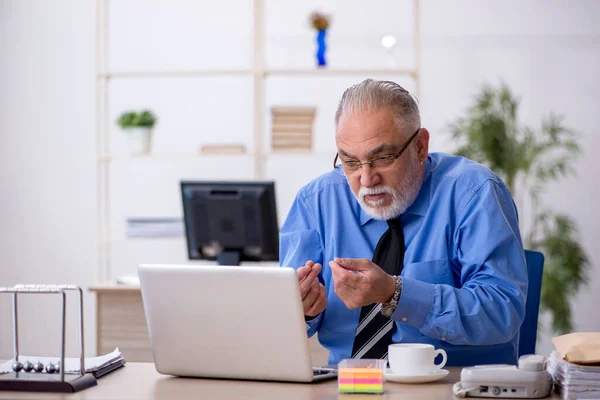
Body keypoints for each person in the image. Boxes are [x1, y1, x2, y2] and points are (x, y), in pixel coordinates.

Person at [279, 79, 528, 367]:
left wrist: (395, 293)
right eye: (350, 162)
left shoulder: (474, 193)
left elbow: (501, 312)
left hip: (454, 383)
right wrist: (304, 311)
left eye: (382, 158)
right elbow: (285, 323)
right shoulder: (316, 202)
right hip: (347, 386)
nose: (367, 179)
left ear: (420, 147)